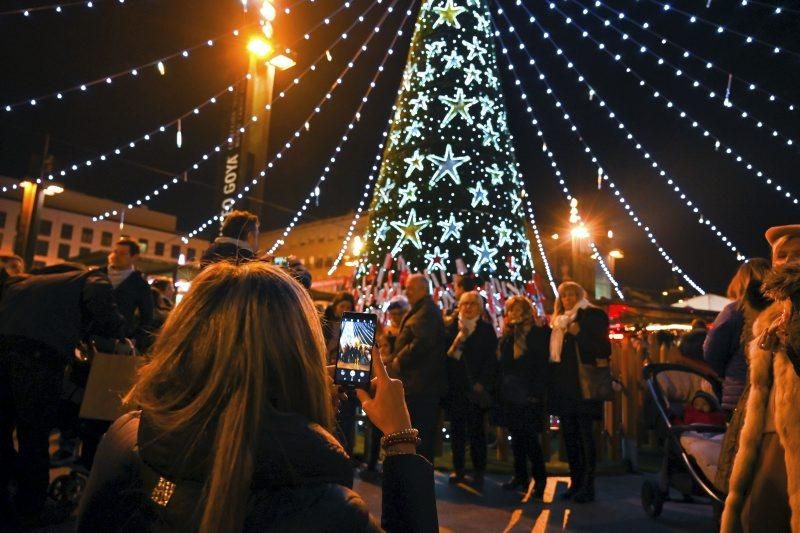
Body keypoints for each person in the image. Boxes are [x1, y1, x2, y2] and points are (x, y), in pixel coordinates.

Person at [76, 262, 438, 532]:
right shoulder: (329, 509)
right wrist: (400, 440)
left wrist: (293, 408)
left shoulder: (126, 437)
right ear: (299, 356)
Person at [0, 263, 124, 526]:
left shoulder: (27, 281)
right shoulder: (92, 277)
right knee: (33, 435)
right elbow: (104, 312)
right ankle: (30, 508)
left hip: (4, 347)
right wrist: (120, 328)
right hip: (38, 358)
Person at [722, 225, 800, 532]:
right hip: (766, 431)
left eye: (799, 254)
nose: (791, 261)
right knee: (756, 518)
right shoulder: (768, 316)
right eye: (783, 255)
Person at [548, 281, 611, 503]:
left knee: (586, 437)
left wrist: (578, 333)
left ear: (580, 295)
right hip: (564, 387)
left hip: (583, 386)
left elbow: (603, 348)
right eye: (564, 296)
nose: (568, 299)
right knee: (570, 437)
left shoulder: (591, 315)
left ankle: (588, 484)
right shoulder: (558, 322)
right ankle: (575, 482)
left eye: (573, 294)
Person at [389, 274, 447, 462]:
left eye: (411, 288)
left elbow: (422, 342)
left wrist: (400, 358)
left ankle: (420, 473)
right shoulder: (421, 310)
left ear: (423, 289)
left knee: (421, 433)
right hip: (417, 383)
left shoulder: (427, 311)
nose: (407, 292)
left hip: (422, 385)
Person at [497, 296, 550, 498]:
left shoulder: (537, 334)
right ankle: (520, 476)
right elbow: (504, 364)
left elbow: (541, 366)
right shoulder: (508, 336)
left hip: (530, 394)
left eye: (518, 309)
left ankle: (540, 479)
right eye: (511, 310)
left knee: (530, 439)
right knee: (516, 439)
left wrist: (536, 392)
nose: (514, 313)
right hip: (511, 394)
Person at [704, 258, 772, 414]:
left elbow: (711, 352)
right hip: (773, 394)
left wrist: (727, 372)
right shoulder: (781, 309)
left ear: (739, 282)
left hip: (738, 391)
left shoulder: (734, 311)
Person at [444, 291, 498, 487]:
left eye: (472, 304)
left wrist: (483, 382)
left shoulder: (486, 330)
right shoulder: (450, 327)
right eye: (464, 304)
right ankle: (458, 469)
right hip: (456, 388)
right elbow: (446, 358)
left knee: (477, 433)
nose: (467, 307)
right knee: (457, 432)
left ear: (479, 308)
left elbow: (491, 360)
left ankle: (478, 472)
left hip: (475, 389)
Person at [99, 239, 154, 351]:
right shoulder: (97, 275)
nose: (116, 256)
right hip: (91, 336)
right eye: (115, 252)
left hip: (119, 341)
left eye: (123, 253)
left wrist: (136, 339)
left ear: (134, 257)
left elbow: (147, 317)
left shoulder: (139, 284)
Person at [322, 291, 357, 455]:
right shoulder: (325, 325)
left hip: (344, 377)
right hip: (326, 374)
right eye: (342, 306)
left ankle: (346, 451)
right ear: (335, 307)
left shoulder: (353, 329)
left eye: (348, 307)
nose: (345, 309)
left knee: (346, 418)